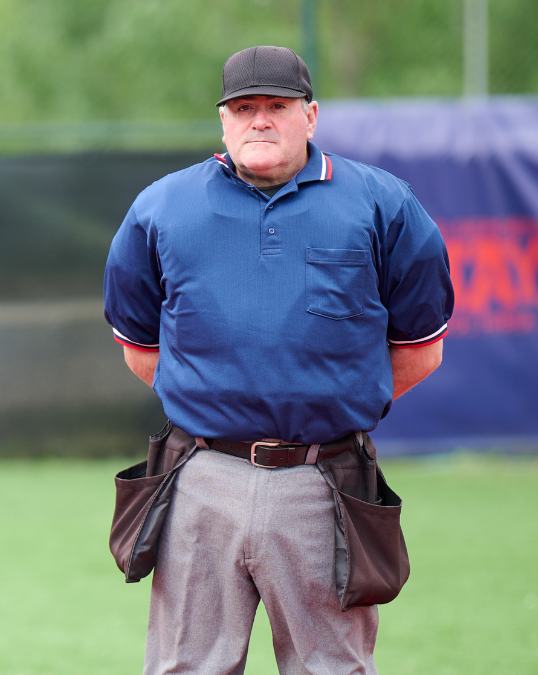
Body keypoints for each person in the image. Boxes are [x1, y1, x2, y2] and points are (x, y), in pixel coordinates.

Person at [104, 45, 454, 675]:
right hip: (202, 476)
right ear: (223, 121)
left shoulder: (382, 203)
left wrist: (328, 406)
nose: (260, 120)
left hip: (324, 479)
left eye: (277, 106)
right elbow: (141, 348)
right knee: (187, 666)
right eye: (244, 108)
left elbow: (421, 349)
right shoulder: (162, 207)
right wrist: (221, 407)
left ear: (310, 115)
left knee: (332, 667)